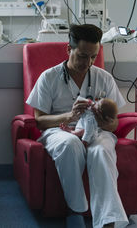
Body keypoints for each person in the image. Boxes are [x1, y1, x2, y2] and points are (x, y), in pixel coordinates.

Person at [26, 24, 128, 228]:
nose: (87, 62)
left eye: (93, 57)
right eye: (82, 56)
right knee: (70, 144)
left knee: (101, 151)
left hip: (96, 130)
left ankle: (108, 222)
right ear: (68, 49)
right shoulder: (49, 77)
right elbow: (39, 120)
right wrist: (69, 115)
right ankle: (76, 210)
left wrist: (105, 123)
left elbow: (116, 122)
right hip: (59, 130)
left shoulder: (103, 78)